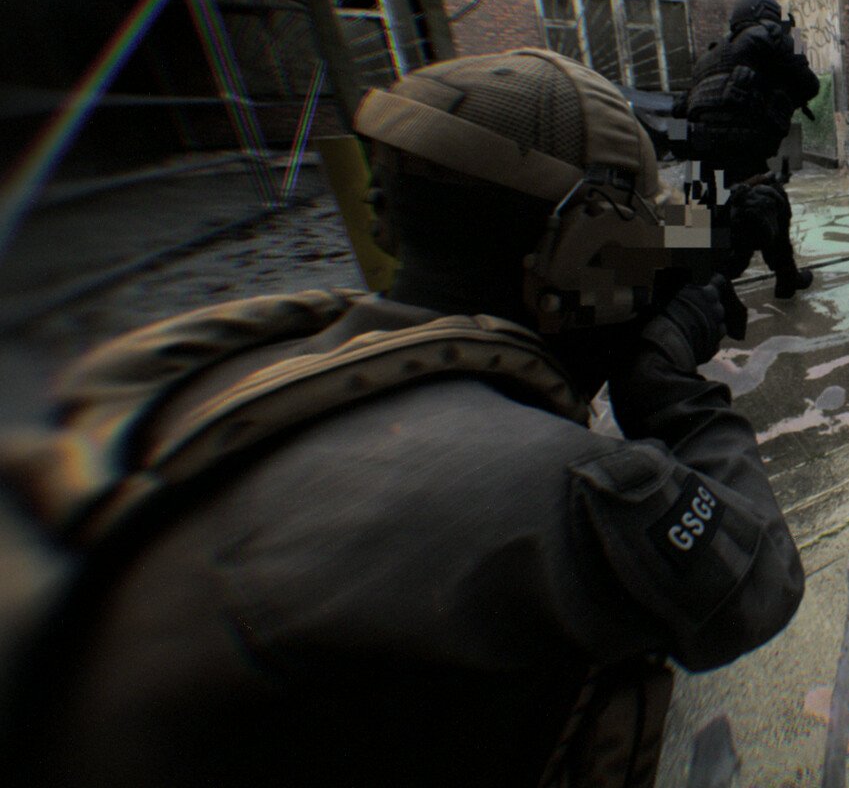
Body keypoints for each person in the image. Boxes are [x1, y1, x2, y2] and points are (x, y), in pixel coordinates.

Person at [5, 49, 804, 788]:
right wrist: (667, 387)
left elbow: (665, 247)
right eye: (624, 242)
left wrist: (699, 242)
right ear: (580, 249)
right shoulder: (567, 492)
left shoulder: (250, 360)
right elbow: (758, 585)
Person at [675, 0, 822, 300]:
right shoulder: (768, 37)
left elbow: (682, 106)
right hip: (738, 148)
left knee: (699, 218)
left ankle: (687, 287)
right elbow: (810, 84)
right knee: (766, 204)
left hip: (697, 153)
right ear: (767, 14)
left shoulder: (710, 54)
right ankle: (778, 279)